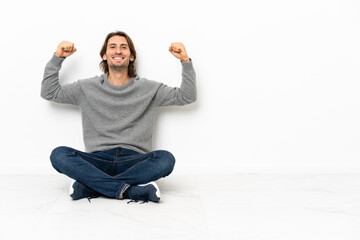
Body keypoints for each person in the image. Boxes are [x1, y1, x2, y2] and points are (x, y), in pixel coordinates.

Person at [41, 31, 196, 203]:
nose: (118, 51)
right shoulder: (86, 88)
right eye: (112, 47)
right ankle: (130, 191)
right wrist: (58, 57)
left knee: (166, 159)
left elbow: (186, 96)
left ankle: (91, 186)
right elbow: (49, 92)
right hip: (97, 160)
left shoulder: (149, 88)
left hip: (135, 160)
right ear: (104, 55)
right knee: (59, 155)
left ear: (131, 57)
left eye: (124, 47)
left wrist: (185, 60)